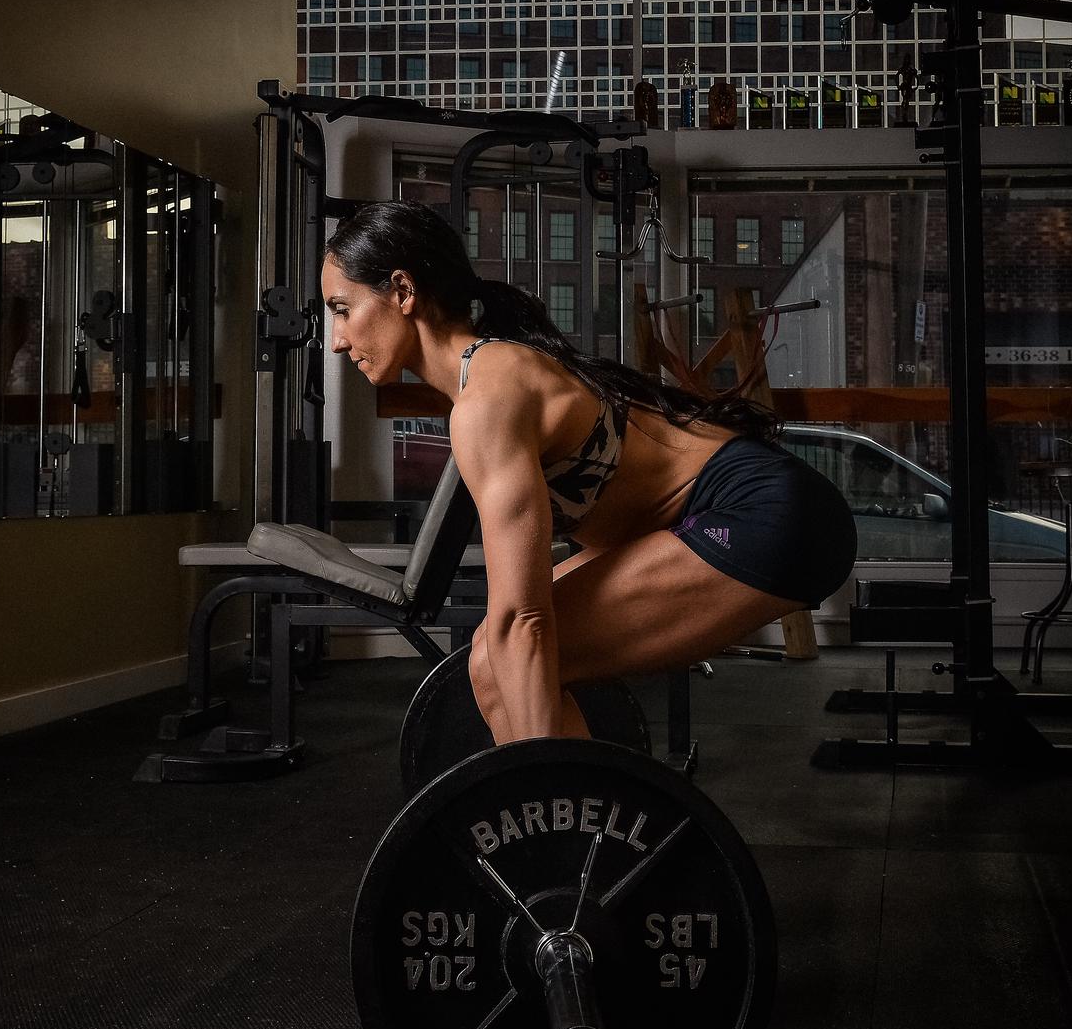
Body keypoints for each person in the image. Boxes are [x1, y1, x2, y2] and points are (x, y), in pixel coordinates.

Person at [322, 200, 857, 745]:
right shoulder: (489, 372)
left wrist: (535, 775)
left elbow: (523, 619)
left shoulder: (487, 397)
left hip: (763, 512)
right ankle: (572, 799)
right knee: (491, 661)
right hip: (749, 508)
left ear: (403, 291)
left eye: (342, 309)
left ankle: (554, 795)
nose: (337, 340)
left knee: (504, 655)